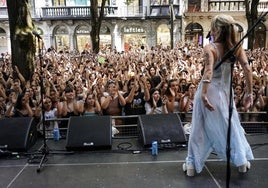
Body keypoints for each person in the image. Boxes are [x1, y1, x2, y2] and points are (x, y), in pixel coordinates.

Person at [183, 14, 254, 176]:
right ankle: (241, 162)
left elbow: (208, 71)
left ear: (217, 29)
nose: (211, 31)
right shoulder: (236, 47)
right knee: (231, 125)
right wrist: (249, 93)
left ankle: (192, 165)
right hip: (225, 92)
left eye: (212, 28)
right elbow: (247, 69)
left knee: (198, 126)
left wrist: (204, 94)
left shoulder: (210, 48)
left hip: (209, 90)